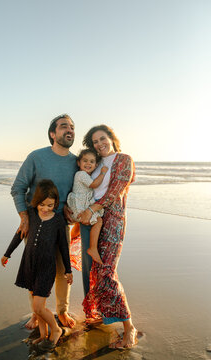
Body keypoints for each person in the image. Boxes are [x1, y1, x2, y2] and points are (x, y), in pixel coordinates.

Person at [10, 114, 77, 329]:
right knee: (36, 269)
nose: (69, 130)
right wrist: (24, 218)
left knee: (61, 271)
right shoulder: (36, 157)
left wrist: (71, 208)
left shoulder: (76, 162)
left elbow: (80, 191)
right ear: (52, 133)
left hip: (60, 225)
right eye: (64, 126)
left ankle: (63, 311)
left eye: (72, 127)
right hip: (35, 222)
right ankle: (37, 312)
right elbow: (18, 188)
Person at [78, 125, 137, 349]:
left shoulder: (123, 159)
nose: (100, 144)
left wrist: (92, 209)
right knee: (94, 268)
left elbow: (115, 191)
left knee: (107, 270)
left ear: (111, 138)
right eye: (95, 141)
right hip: (92, 220)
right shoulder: (96, 163)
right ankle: (103, 315)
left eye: (103, 138)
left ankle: (129, 328)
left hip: (112, 219)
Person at [1, 180, 73, 351]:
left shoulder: (58, 221)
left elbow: (63, 247)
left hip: (46, 268)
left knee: (38, 307)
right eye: (42, 204)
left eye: (50, 205)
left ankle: (55, 330)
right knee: (38, 307)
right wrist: (7, 253)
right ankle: (43, 334)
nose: (46, 208)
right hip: (29, 264)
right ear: (36, 201)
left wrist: (68, 270)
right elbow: (19, 235)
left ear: (55, 202)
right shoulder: (31, 215)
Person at [67, 149, 108, 265]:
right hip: (80, 208)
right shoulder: (81, 174)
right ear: (78, 163)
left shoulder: (84, 175)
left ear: (95, 165)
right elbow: (94, 184)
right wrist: (103, 173)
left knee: (78, 227)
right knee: (99, 221)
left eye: (91, 161)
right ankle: (92, 248)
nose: (88, 164)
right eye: (85, 161)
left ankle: (70, 241)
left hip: (80, 206)